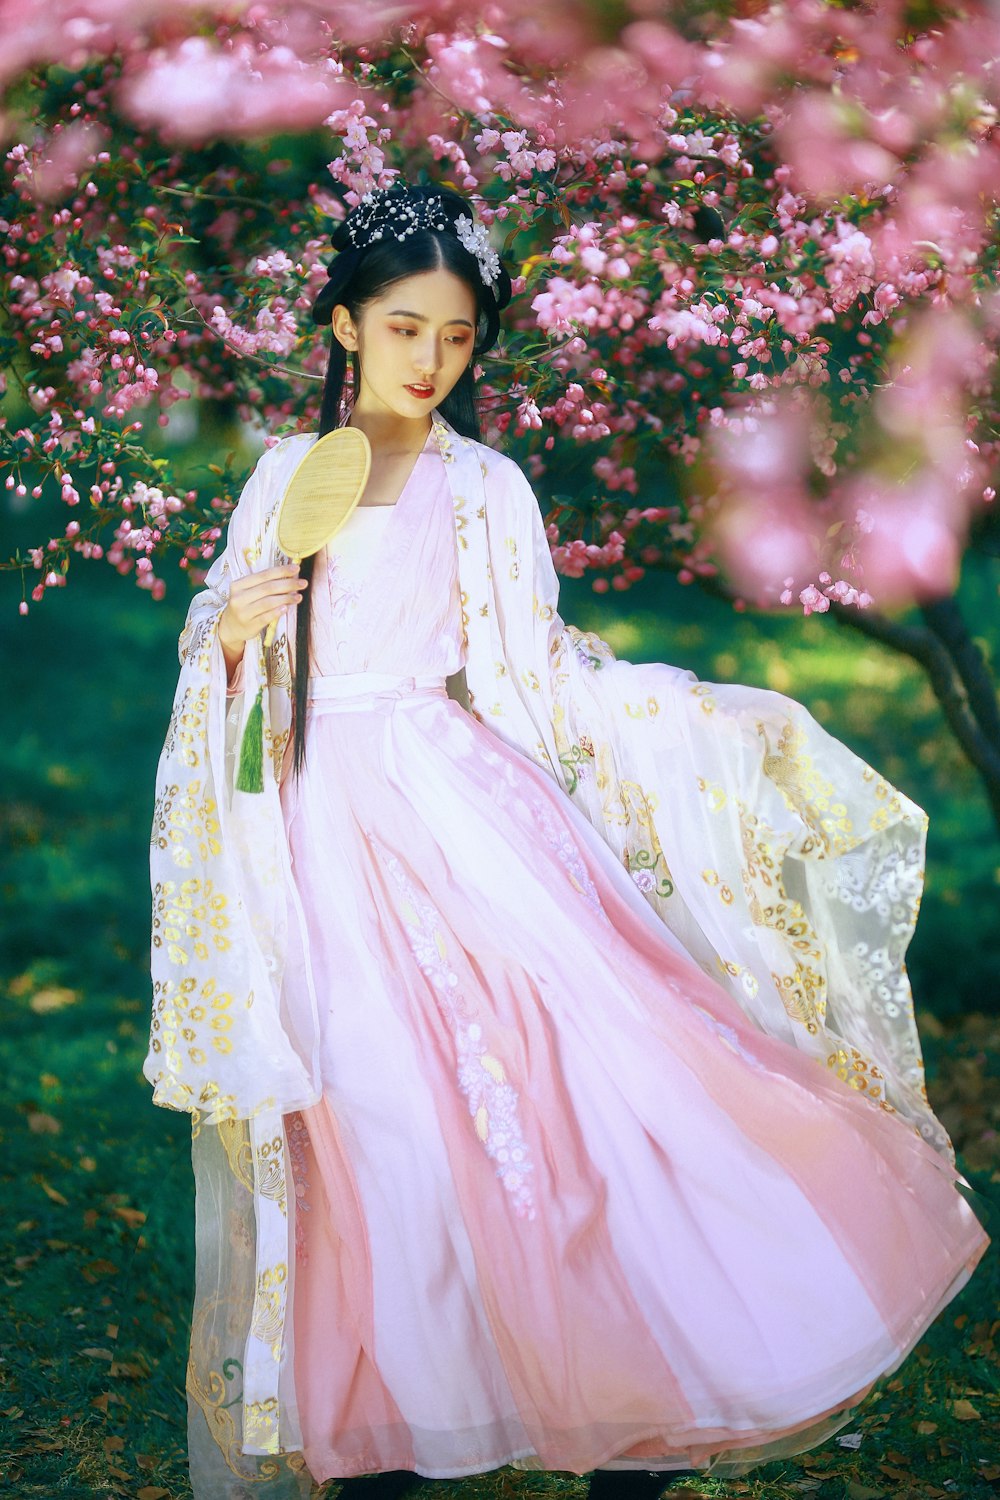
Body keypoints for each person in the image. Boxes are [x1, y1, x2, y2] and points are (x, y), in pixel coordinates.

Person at [145, 186, 989, 1500]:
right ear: (343, 328)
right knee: (375, 1121)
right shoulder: (280, 478)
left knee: (566, 1081)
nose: (429, 361)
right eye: (404, 328)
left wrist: (703, 716)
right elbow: (225, 665)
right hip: (316, 829)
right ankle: (393, 1417)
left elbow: (532, 670)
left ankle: (641, 1389)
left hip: (456, 808)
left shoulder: (485, 488)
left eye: (459, 338)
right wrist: (239, 634)